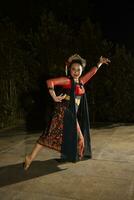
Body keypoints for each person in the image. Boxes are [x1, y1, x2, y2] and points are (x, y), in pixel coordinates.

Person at [23, 54, 110, 170]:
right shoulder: (67, 80)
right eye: (73, 69)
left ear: (81, 71)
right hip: (63, 112)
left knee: (56, 137)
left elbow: (92, 73)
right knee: (52, 136)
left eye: (78, 70)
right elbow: (50, 82)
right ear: (69, 70)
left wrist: (99, 63)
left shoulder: (81, 82)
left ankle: (33, 157)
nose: (76, 72)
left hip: (70, 114)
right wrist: (54, 96)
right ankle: (30, 157)